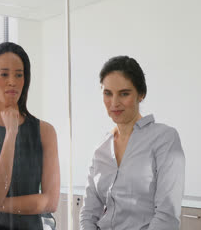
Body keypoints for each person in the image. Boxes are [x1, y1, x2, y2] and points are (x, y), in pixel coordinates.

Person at [0, 42, 60, 230]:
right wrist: (11, 134)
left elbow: (50, 202)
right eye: (4, 74)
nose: (12, 81)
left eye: (19, 74)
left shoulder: (46, 131)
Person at [79, 56, 185, 230]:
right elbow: (88, 213)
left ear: (141, 94)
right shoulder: (101, 148)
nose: (114, 103)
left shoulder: (165, 139)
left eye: (124, 93)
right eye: (108, 93)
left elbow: (167, 215)